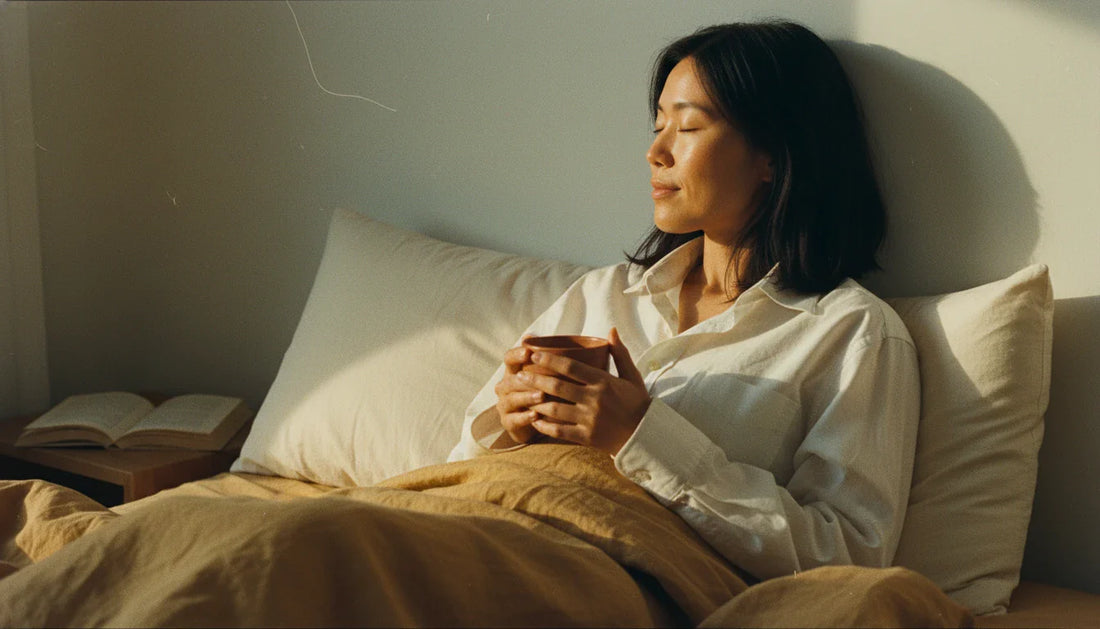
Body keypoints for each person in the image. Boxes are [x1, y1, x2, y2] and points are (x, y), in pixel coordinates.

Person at [448, 21, 920, 583]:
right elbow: (456, 475)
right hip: (490, 537)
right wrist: (511, 423)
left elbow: (848, 558)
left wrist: (641, 435)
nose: (655, 152)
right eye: (657, 125)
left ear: (772, 155)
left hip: (611, 582)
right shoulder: (605, 295)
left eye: (688, 126)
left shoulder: (852, 334)